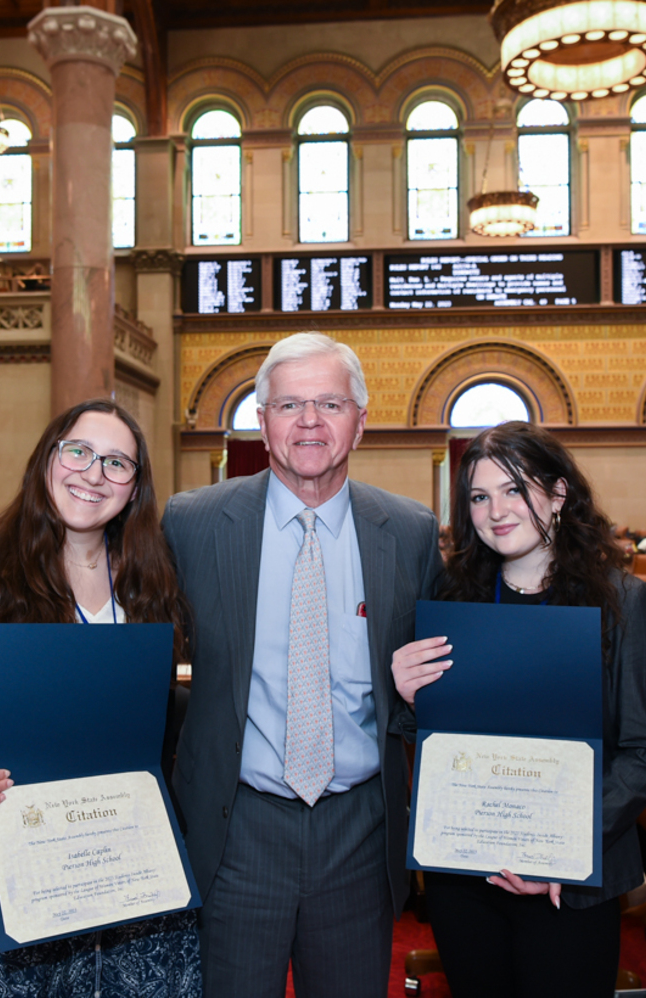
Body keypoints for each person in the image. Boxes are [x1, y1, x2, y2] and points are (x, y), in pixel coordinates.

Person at [160, 333, 442, 998]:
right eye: (289, 405)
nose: (309, 422)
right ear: (262, 422)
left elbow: (436, 683)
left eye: (329, 403)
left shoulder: (410, 531)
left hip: (359, 830)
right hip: (237, 828)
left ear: (360, 420)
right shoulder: (192, 523)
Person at [0, 400, 200, 996]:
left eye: (117, 463)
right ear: (47, 459)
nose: (93, 473)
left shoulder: (154, 577)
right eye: (78, 452)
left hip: (136, 869)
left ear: (134, 489)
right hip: (23, 868)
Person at [390, 422, 646, 998]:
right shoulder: (453, 598)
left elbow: (644, 753)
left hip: (568, 880)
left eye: (515, 489)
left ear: (559, 494)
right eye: (479, 496)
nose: (496, 511)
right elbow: (432, 739)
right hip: (466, 872)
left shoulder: (621, 600)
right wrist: (409, 695)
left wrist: (560, 853)